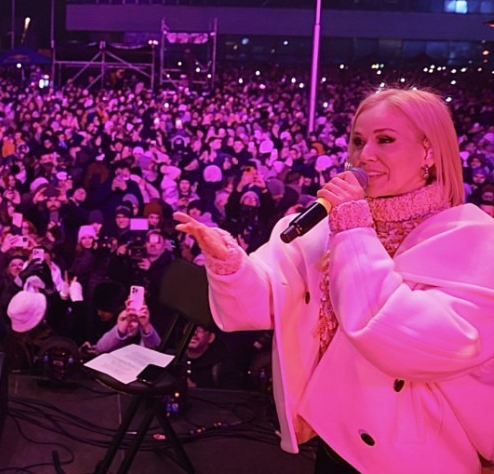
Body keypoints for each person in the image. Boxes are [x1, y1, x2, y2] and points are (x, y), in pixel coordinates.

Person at [175, 87, 494, 473]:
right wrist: (228, 261)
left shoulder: (471, 237)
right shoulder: (331, 224)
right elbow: (268, 299)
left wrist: (354, 227)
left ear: (429, 151)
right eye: (358, 141)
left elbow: (408, 343)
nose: (365, 155)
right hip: (337, 436)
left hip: (416, 452)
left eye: (385, 140)